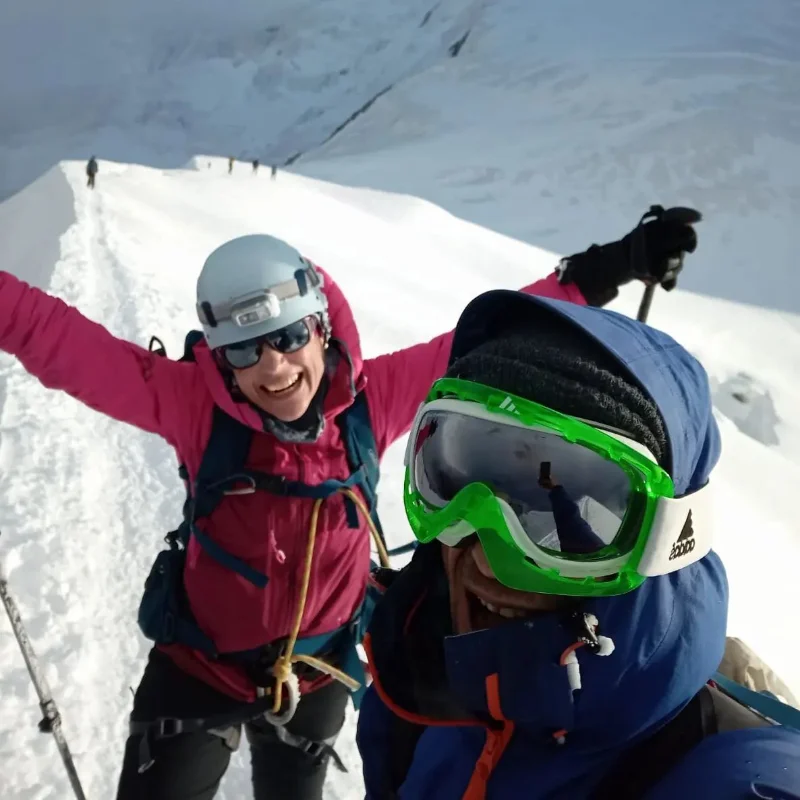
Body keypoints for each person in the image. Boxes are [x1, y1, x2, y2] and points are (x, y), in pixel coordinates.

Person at [0, 207, 698, 800]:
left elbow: (490, 343)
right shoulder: (192, 406)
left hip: (317, 675)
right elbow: (60, 341)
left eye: (287, 336)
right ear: (219, 359)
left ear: (320, 327)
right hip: (200, 669)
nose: (273, 367)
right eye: (245, 352)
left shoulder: (371, 404)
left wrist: (602, 269)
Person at [357, 289, 800, 798]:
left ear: (667, 539)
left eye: (547, 504)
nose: (488, 558)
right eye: (461, 478)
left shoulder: (728, 778)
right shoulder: (419, 687)